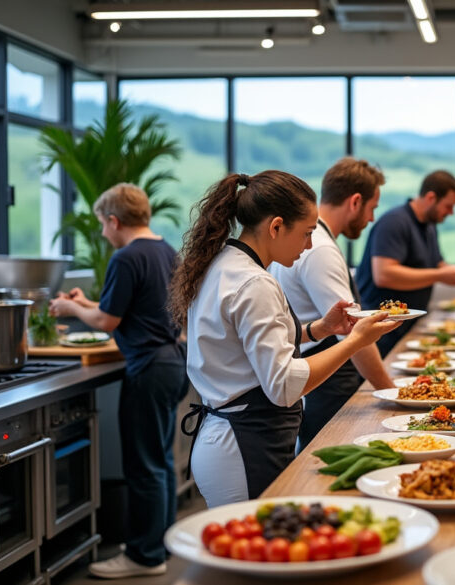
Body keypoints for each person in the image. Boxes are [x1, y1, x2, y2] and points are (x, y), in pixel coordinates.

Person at [170, 170, 399, 508]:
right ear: (276, 227)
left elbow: (249, 347)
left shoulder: (225, 264)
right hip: (242, 447)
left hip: (232, 438)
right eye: (306, 233)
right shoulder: (254, 283)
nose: (309, 245)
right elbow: (283, 385)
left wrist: (319, 329)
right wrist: (355, 341)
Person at [48, 183, 186, 579]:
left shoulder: (126, 257)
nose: (103, 233)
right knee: (159, 461)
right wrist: (86, 303)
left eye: (102, 225)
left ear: (114, 220)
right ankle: (158, 542)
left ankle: (145, 556)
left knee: (144, 466)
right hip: (173, 363)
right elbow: (130, 308)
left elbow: (108, 322)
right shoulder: (166, 251)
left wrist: (70, 308)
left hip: (148, 368)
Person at [270, 157, 395, 450]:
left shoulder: (317, 242)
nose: (371, 219)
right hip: (326, 388)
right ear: (355, 201)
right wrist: (392, 394)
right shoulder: (320, 250)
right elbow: (354, 335)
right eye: (372, 208)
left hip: (323, 380)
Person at [355, 170, 455, 356]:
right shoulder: (394, 222)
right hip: (382, 331)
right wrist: (441, 275)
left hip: (408, 327)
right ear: (431, 197)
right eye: (448, 206)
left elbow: (438, 265)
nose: (451, 213)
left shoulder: (429, 226)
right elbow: (384, 275)